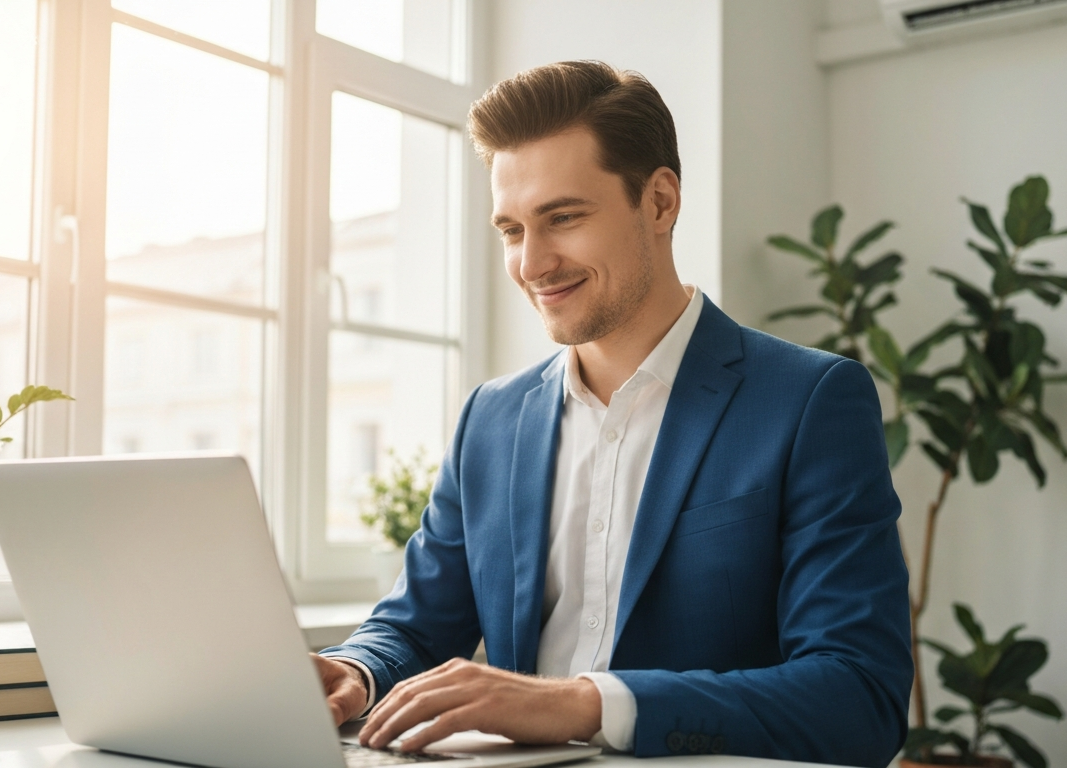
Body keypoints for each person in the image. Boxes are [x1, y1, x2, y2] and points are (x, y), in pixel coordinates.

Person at [314, 60, 912, 767]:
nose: (532, 263)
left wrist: (585, 703)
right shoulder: (492, 419)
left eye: (562, 217)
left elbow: (858, 697)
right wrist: (356, 670)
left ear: (659, 203)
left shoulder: (810, 401)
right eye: (511, 229)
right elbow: (414, 628)